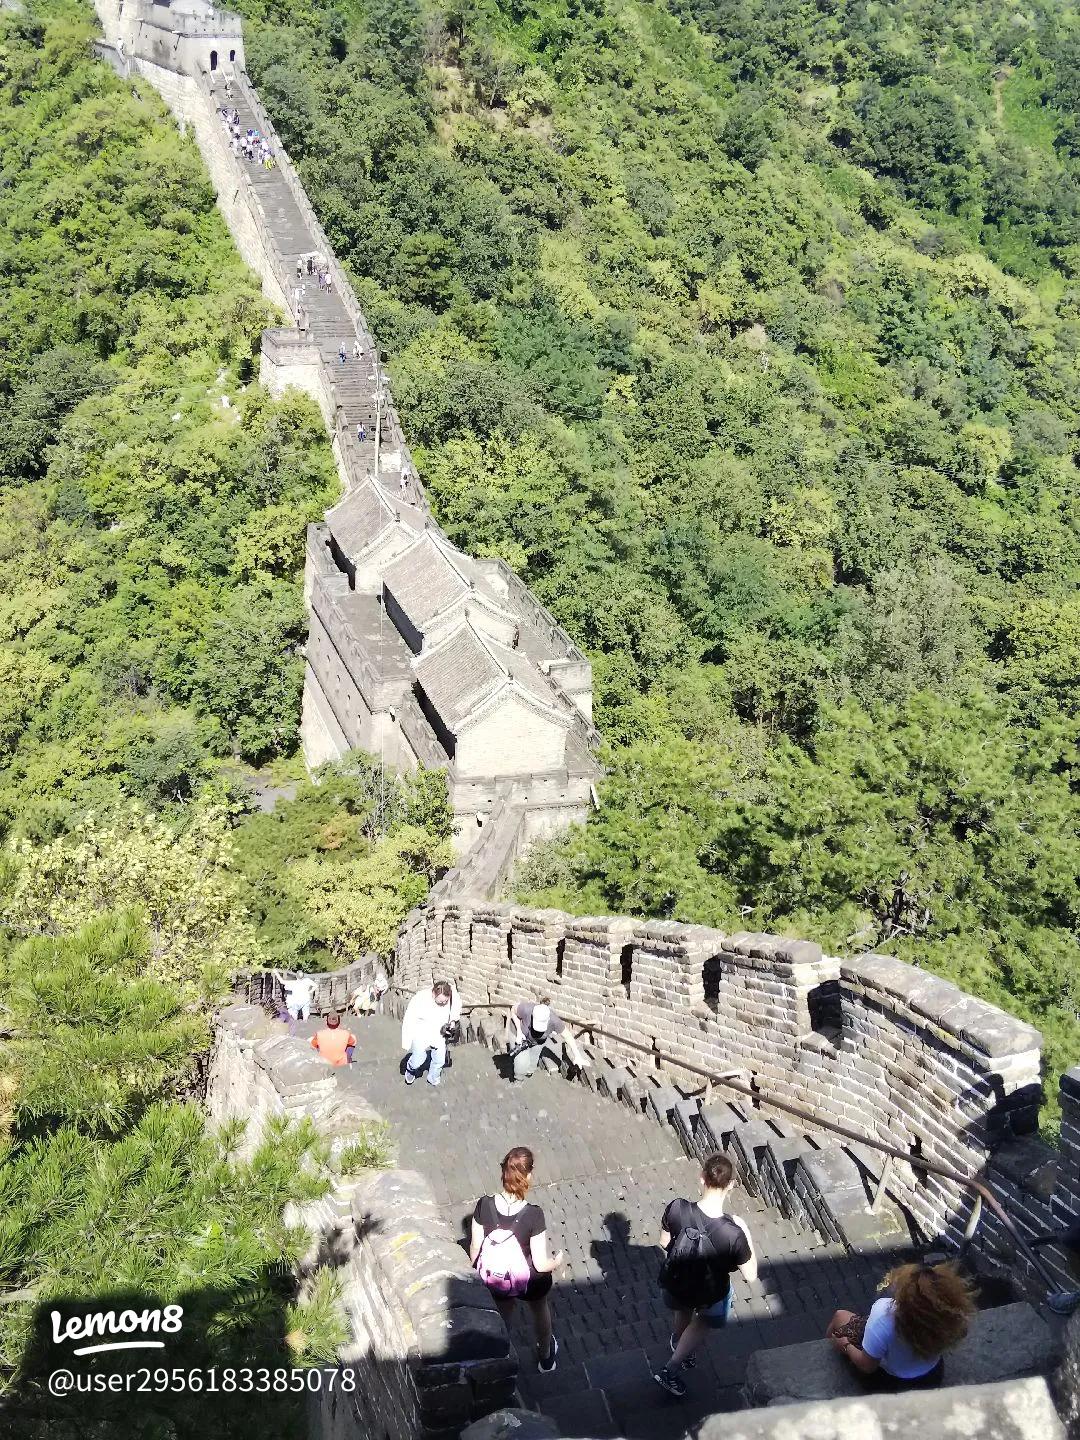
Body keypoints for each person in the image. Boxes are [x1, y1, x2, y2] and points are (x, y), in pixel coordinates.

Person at [653, 1152, 757, 1398]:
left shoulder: (677, 1208)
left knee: (683, 1309)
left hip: (677, 1284)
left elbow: (663, 1243)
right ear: (731, 1185)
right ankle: (671, 1368)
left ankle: (679, 1341)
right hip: (710, 1292)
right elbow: (751, 1275)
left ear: (702, 1178)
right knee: (704, 1321)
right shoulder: (733, 1233)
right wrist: (745, 1231)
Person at [471, 1147, 562, 1373]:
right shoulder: (534, 1214)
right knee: (539, 1309)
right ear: (528, 1176)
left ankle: (500, 1353)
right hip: (528, 1278)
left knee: (503, 1313)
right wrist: (557, 1261)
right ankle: (545, 1357)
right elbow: (540, 1263)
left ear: (503, 1173)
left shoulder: (485, 1204)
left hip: (497, 1276)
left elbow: (475, 1248)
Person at [826, 1263, 976, 1391]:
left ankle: (829, 1344)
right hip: (931, 1377)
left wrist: (845, 1345)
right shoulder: (946, 1316)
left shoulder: (883, 1316)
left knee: (840, 1316)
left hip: (892, 1384)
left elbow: (867, 1366)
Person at [505, 997, 590, 1082]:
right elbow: (513, 1010)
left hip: (537, 1041)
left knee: (531, 1064)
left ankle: (528, 1075)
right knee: (521, 1064)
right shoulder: (526, 1009)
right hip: (520, 1035)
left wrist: (578, 1056)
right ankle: (518, 1080)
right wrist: (519, 1031)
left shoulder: (554, 1021)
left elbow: (567, 1036)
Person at [401, 979, 461, 1087]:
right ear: (433, 994)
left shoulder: (452, 995)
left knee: (439, 1060)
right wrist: (406, 1041)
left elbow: (456, 1006)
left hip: (439, 1033)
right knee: (418, 1059)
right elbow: (409, 1018)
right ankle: (410, 1068)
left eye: (445, 1002)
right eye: (440, 1002)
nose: (443, 1004)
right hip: (421, 1032)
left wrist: (452, 1021)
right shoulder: (420, 998)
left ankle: (433, 1077)